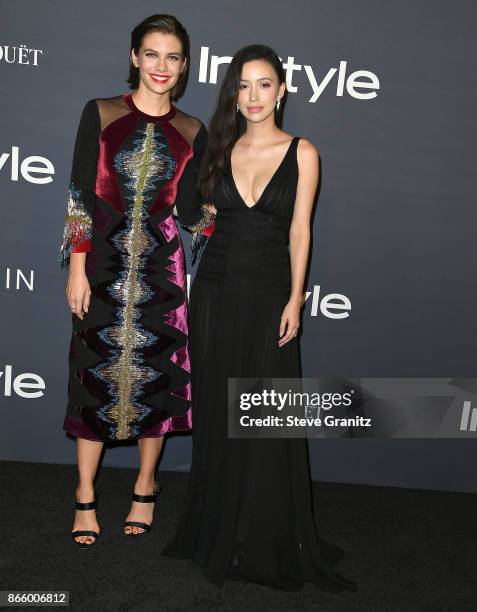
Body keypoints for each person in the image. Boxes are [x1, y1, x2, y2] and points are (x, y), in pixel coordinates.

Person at [163, 44, 357, 592]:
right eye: (242, 86)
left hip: (272, 294)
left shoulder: (303, 152)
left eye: (263, 84)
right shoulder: (215, 151)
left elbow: (301, 230)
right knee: (222, 413)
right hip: (217, 295)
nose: (252, 97)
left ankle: (267, 532)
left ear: (282, 90)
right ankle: (218, 527)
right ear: (233, 92)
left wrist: (296, 298)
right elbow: (188, 215)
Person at [59, 14, 214, 547]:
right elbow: (80, 194)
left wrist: (240, 218)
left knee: (158, 379)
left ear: (185, 65)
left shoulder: (194, 130)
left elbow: (194, 210)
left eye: (172, 57)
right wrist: (77, 267)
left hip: (162, 272)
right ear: (134, 58)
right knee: (90, 378)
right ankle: (84, 496)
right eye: (151, 54)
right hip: (101, 266)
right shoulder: (100, 113)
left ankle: (145, 489)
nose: (161, 67)